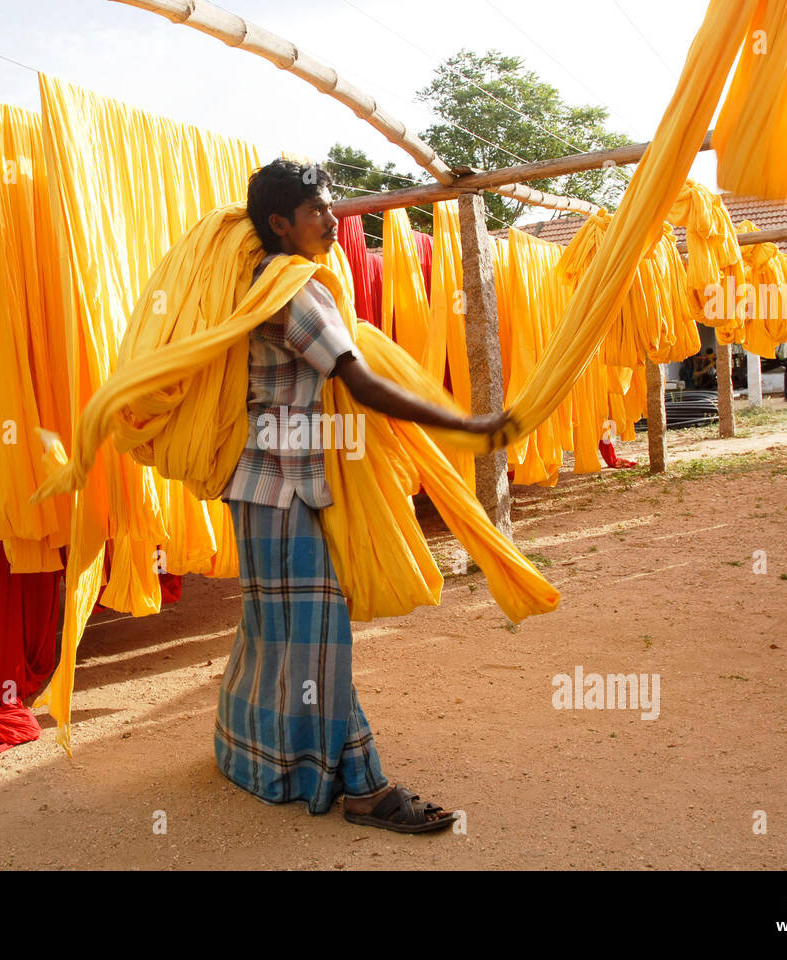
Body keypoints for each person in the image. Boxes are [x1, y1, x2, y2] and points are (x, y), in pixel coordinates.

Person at [216, 159, 507, 834]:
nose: (334, 218)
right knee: (319, 639)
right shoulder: (292, 290)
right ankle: (367, 789)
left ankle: (260, 759)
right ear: (281, 223)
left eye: (331, 206)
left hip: (264, 482)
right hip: (282, 484)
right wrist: (464, 425)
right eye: (319, 209)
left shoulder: (262, 279)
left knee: (279, 633)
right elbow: (359, 380)